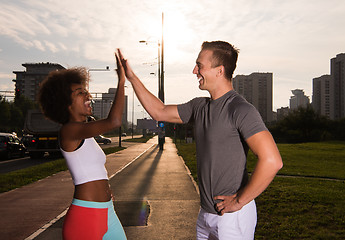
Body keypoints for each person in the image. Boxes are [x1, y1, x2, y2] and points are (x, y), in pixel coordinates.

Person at [118, 41, 283, 239]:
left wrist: (239, 201)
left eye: (200, 65)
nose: (194, 70)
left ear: (219, 71)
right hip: (205, 214)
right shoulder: (199, 107)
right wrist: (131, 77)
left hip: (231, 218)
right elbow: (159, 111)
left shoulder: (240, 109)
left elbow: (272, 161)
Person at [37, 50, 127, 240]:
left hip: (107, 212)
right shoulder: (69, 131)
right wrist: (121, 81)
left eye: (86, 90)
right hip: (86, 217)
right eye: (80, 93)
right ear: (66, 104)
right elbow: (114, 121)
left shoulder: (86, 132)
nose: (87, 94)